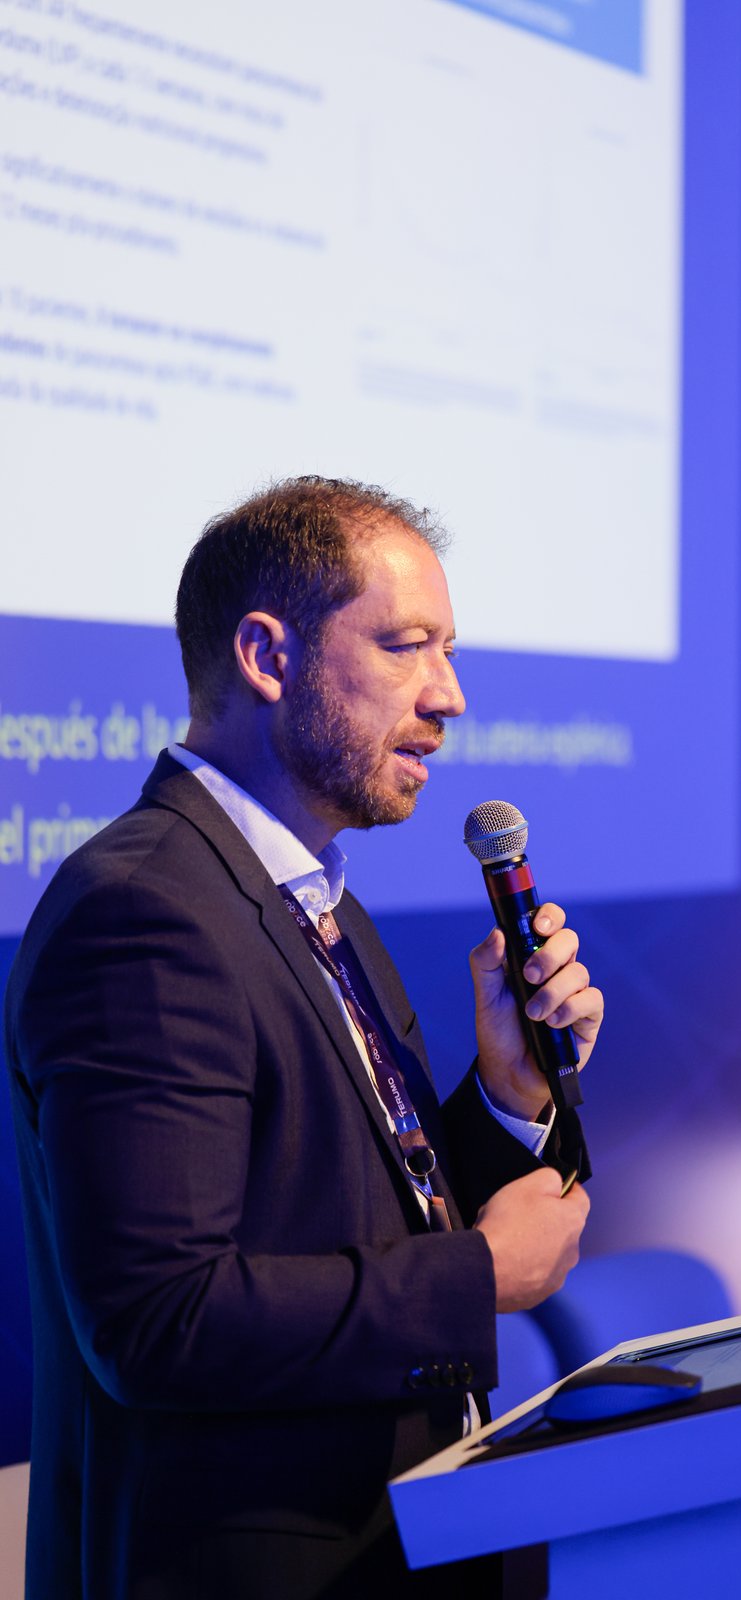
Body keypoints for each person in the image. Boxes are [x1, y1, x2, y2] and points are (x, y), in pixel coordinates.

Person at [5, 476, 601, 1599]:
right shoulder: (141, 909)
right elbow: (159, 1319)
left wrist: (509, 1094)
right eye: (406, 647)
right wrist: (477, 1275)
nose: (449, 696)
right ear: (266, 657)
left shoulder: (318, 901)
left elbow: (368, 1211)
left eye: (448, 652)